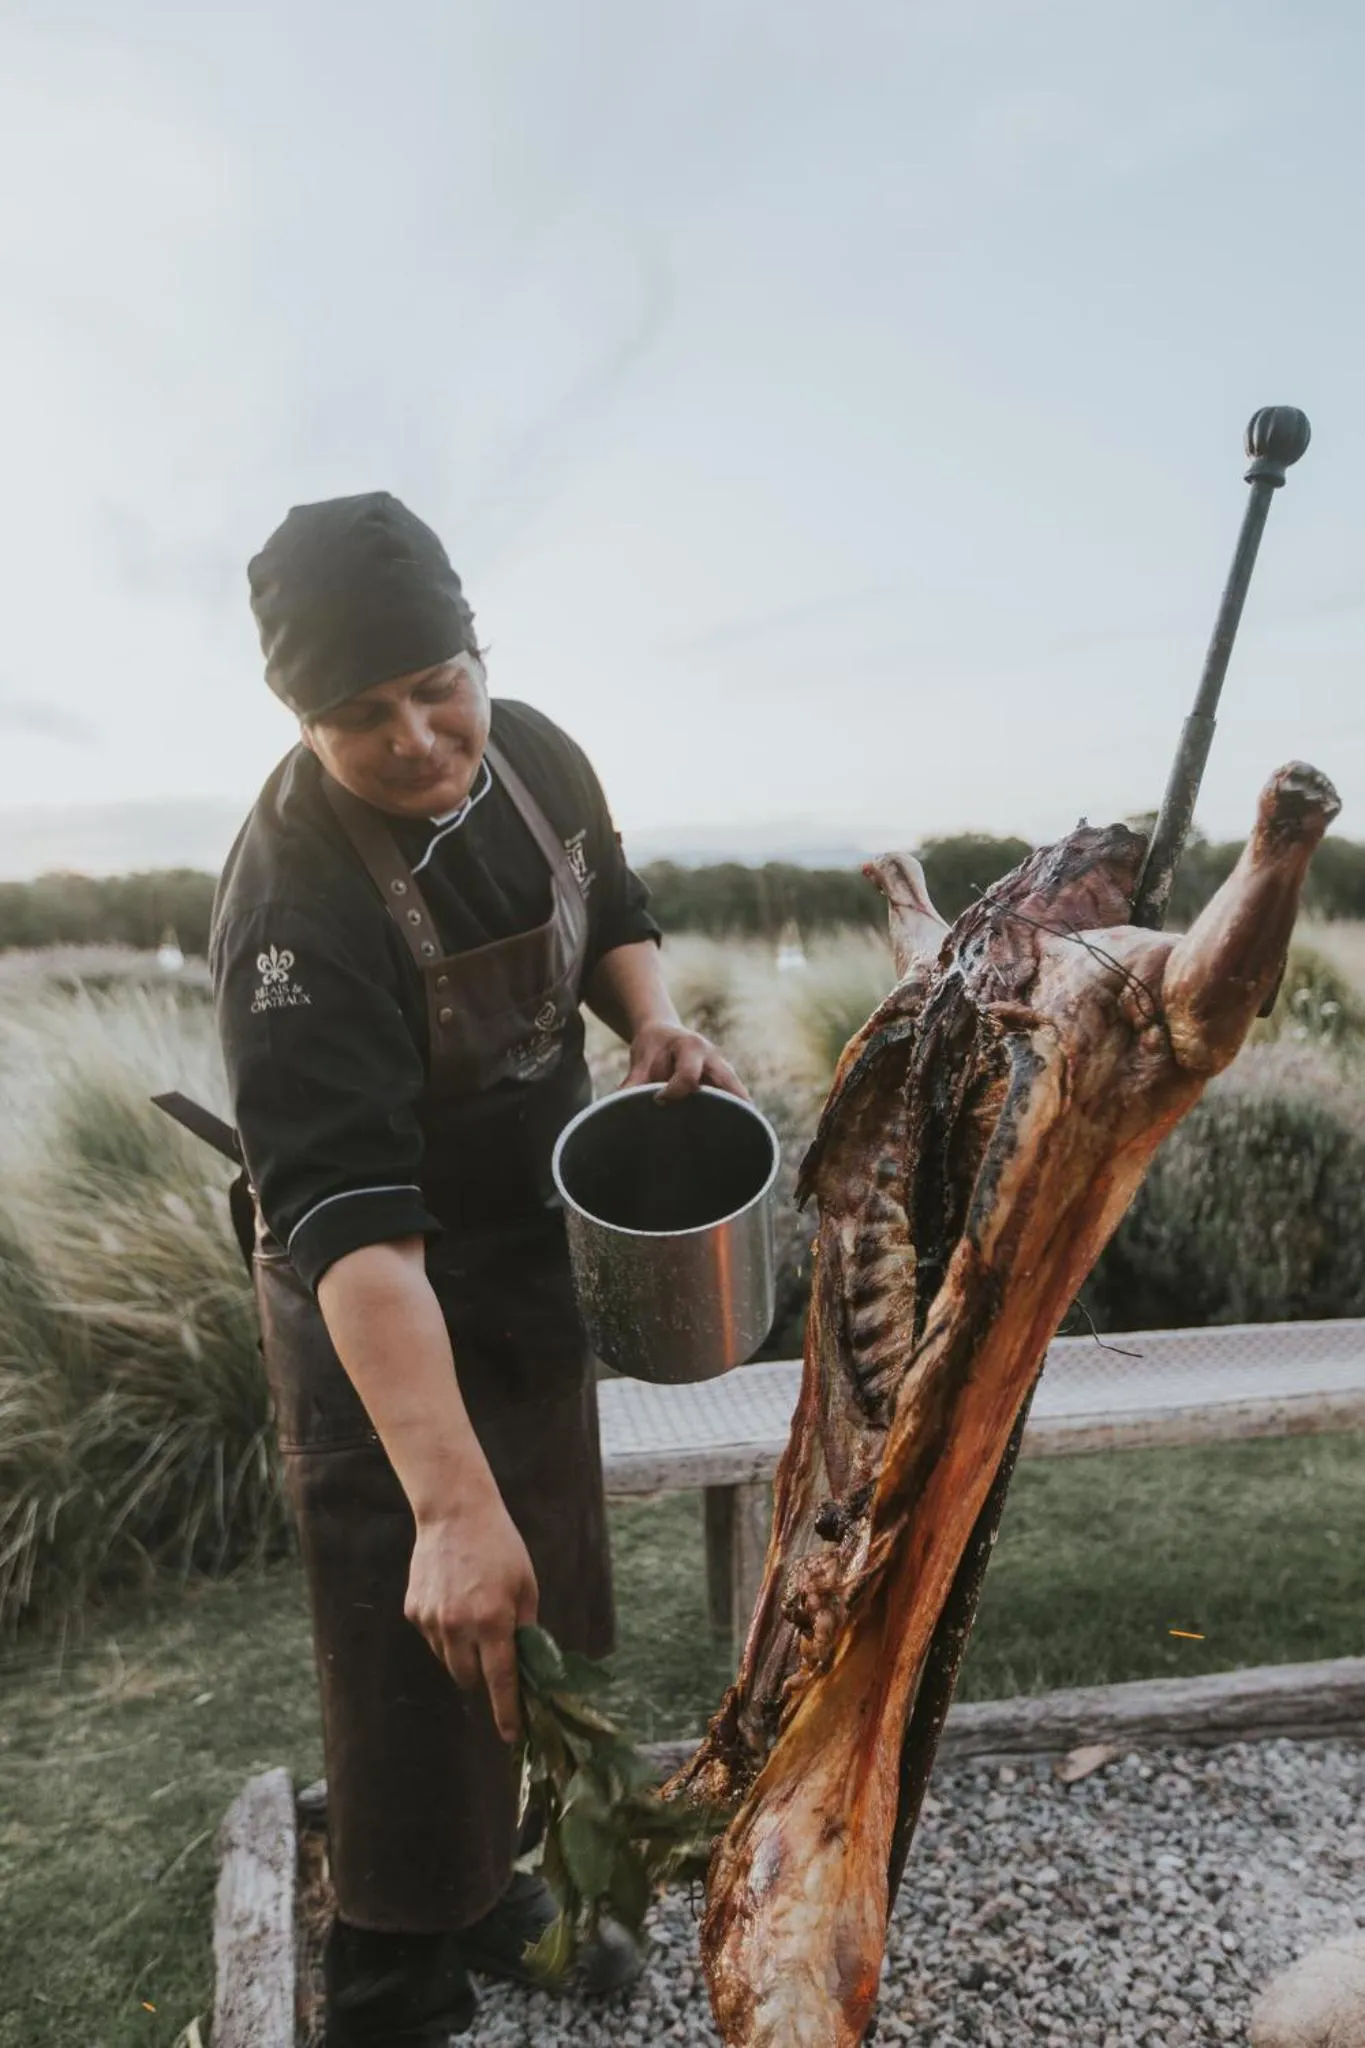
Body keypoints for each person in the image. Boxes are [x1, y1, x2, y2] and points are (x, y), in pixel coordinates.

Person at [208, 492, 747, 2047]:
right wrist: (444, 1505)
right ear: (301, 720)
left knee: (534, 1581)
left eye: (440, 682)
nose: (423, 737)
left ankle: (502, 1883)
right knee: (412, 1619)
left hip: (529, 1253)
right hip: (370, 1290)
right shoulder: (294, 910)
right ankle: (395, 1963)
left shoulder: (540, 754)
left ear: (475, 648)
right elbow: (355, 1225)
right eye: (361, 715)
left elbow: (613, 908)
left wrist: (646, 1015)